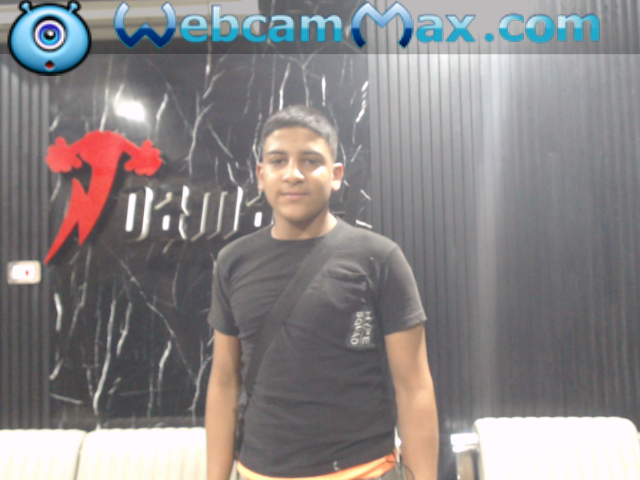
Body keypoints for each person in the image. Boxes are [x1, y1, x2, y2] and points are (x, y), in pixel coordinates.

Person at [205, 105, 438, 480]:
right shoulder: (233, 262)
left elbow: (414, 387)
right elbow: (223, 382)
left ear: (336, 175)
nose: (293, 174)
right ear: (261, 175)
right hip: (258, 472)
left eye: (310, 161)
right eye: (278, 161)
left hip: (364, 471)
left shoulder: (379, 258)